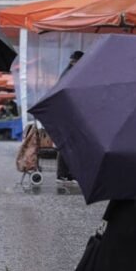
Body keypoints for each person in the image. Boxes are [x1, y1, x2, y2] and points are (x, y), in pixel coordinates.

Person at [57, 50, 84, 181]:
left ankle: (67, 173)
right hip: (69, 113)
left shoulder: (68, 73)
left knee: (70, 144)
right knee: (68, 144)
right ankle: (63, 173)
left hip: (67, 113)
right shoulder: (71, 74)